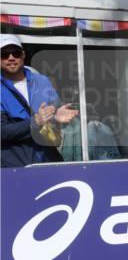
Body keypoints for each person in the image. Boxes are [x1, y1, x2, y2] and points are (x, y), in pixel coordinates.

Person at [1, 34, 79, 167]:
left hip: (47, 161)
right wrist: (35, 122)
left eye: (16, 53)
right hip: (15, 167)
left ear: (23, 55)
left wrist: (57, 118)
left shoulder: (42, 80)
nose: (11, 58)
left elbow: (54, 123)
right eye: (4, 54)